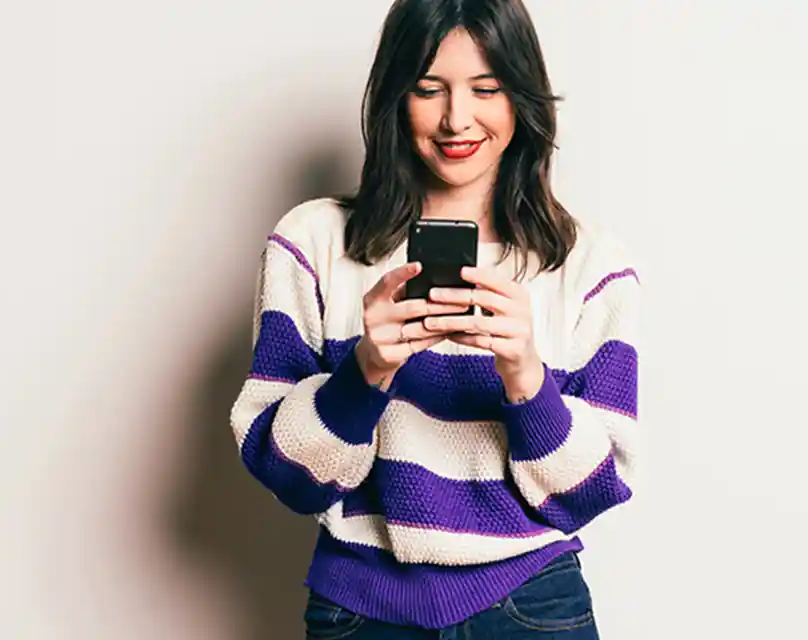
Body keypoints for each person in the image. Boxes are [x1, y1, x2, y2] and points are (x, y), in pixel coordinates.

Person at [229, 0, 639, 637]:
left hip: (531, 607)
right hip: (360, 610)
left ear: (522, 99)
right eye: (428, 89)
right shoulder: (313, 243)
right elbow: (285, 475)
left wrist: (527, 379)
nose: (457, 118)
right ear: (396, 96)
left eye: (486, 88)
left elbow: (593, 491)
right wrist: (365, 373)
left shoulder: (589, 263)